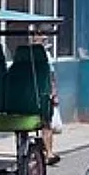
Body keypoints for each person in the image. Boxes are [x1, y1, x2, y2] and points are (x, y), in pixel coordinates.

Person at [32, 31, 60, 165]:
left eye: (43, 40)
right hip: (31, 94)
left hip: (44, 94)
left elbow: (52, 77)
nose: (42, 42)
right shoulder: (26, 56)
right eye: (39, 40)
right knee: (45, 124)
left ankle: (49, 152)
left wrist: (54, 94)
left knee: (46, 123)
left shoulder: (47, 56)